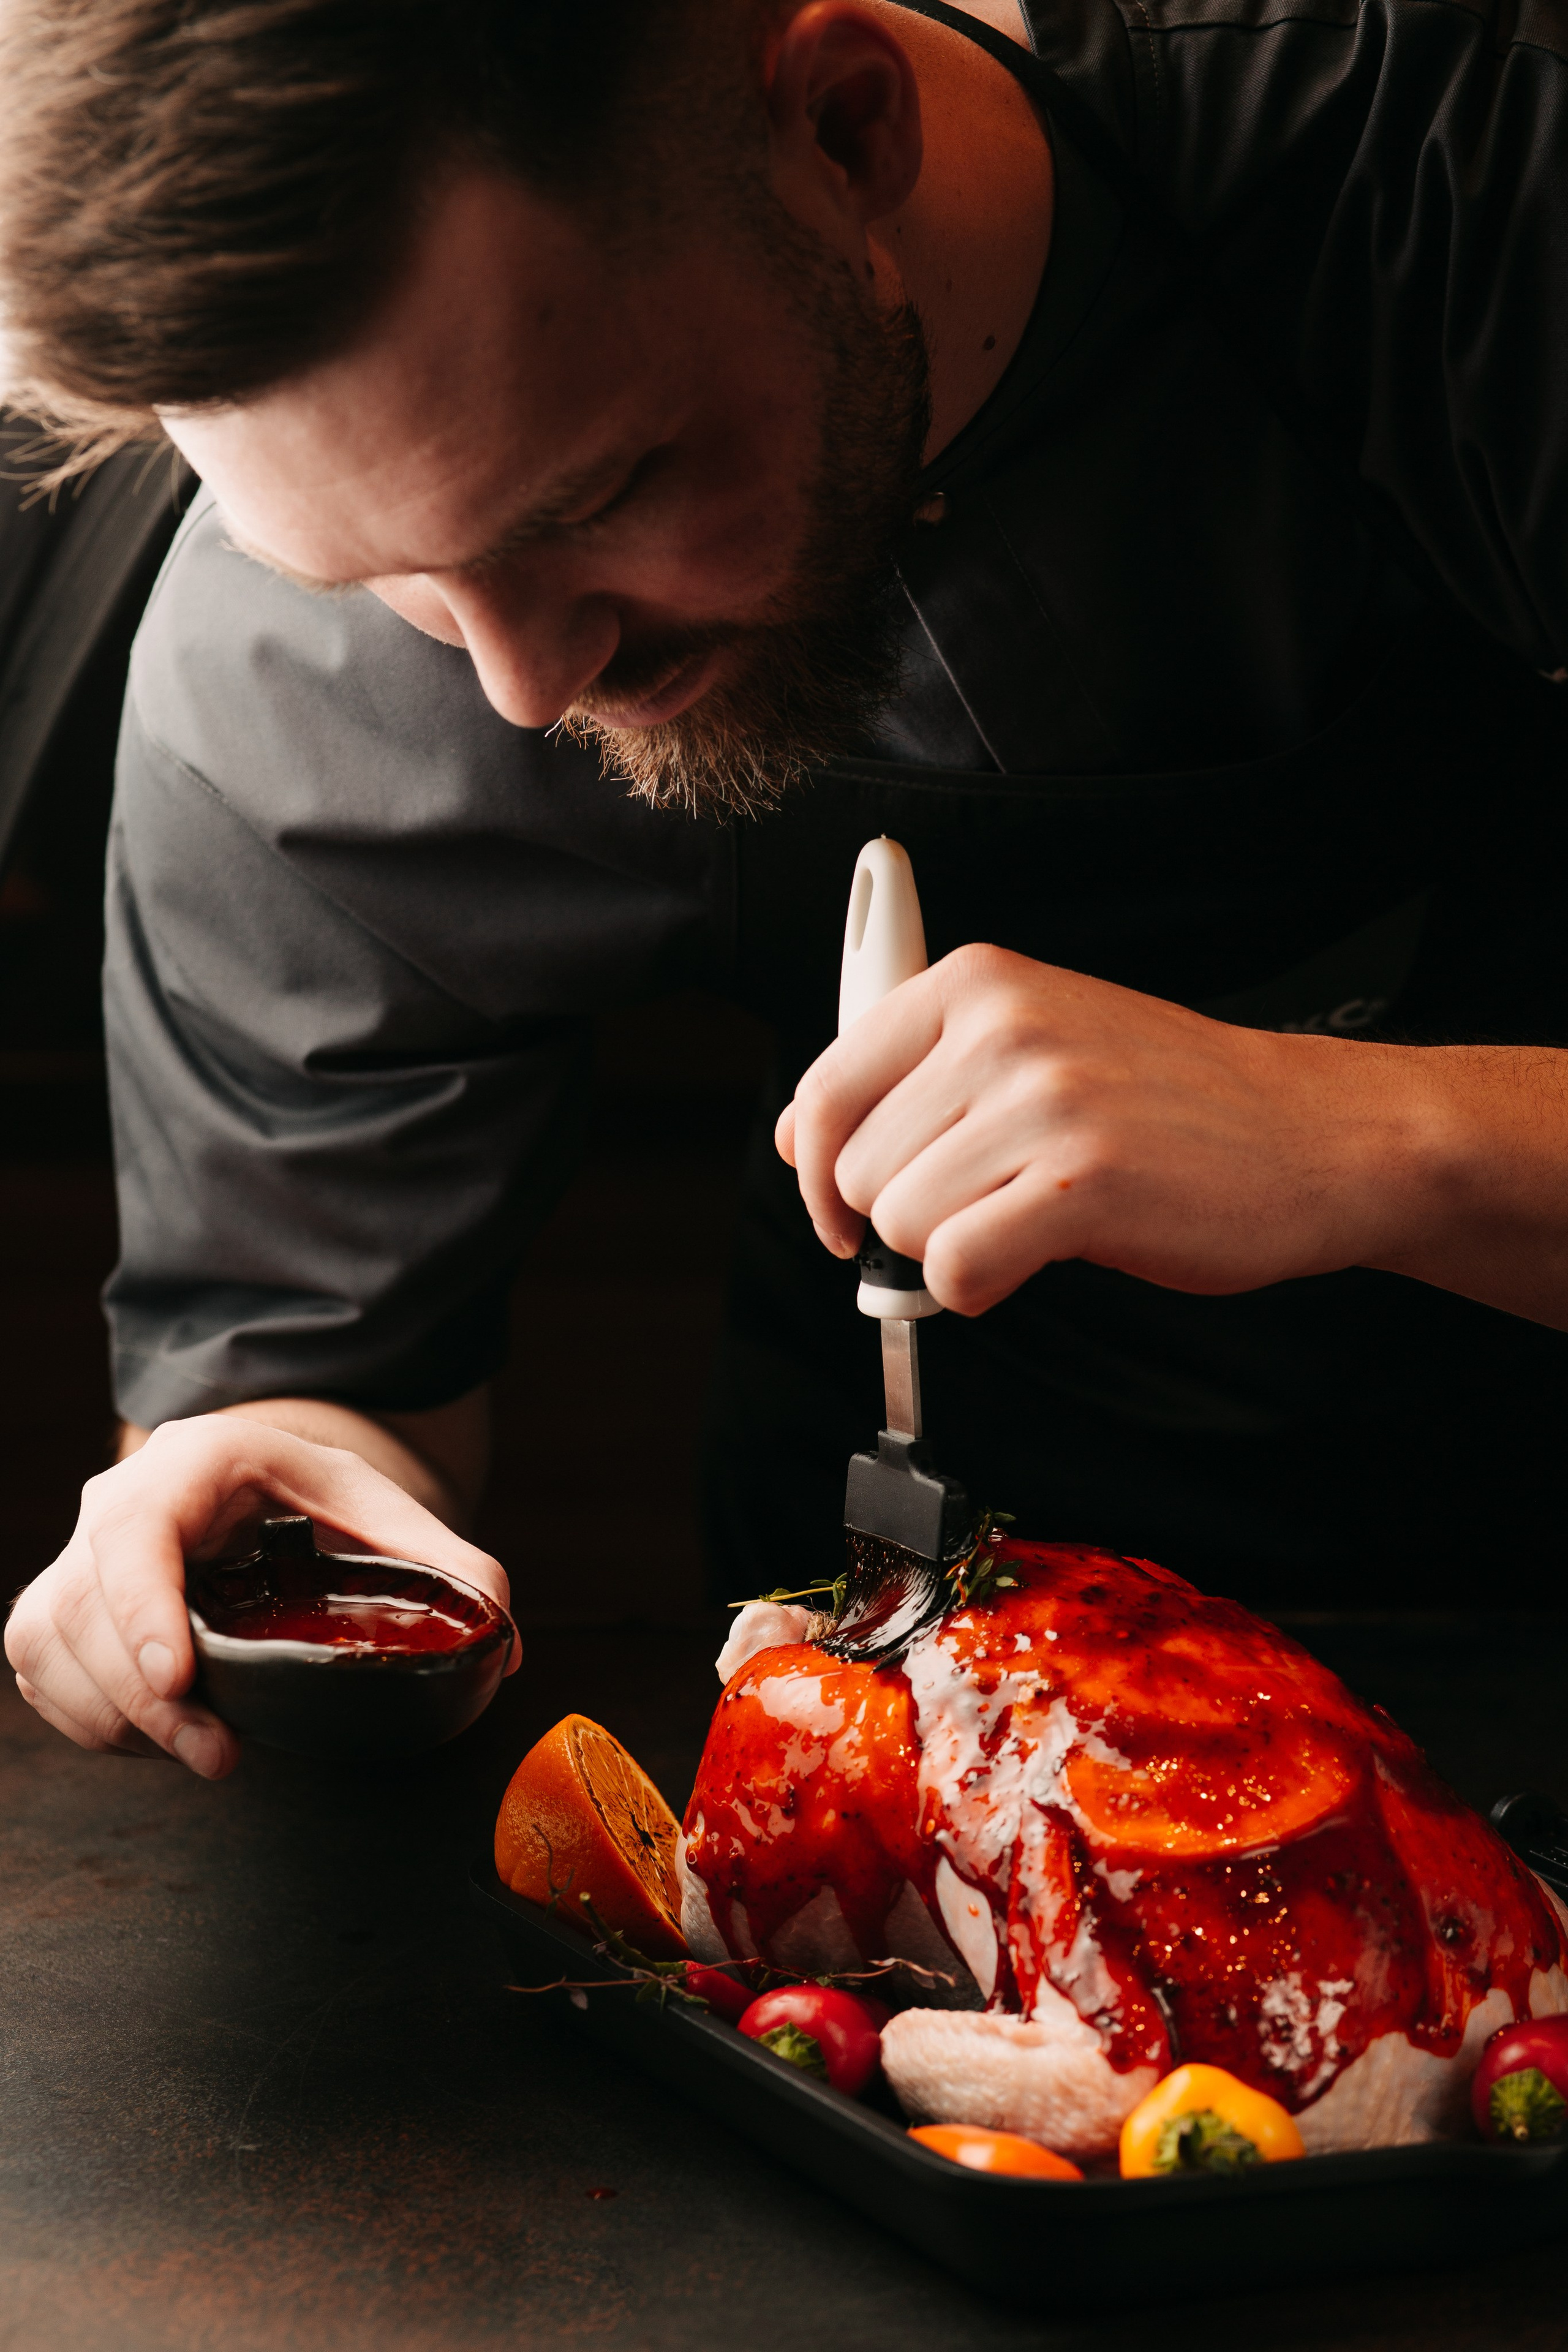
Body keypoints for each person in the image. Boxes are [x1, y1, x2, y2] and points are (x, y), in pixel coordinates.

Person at [4, 0, 1568, 1776]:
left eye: (592, 494)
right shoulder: (290, 689)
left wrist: (1379, 1138)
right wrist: (262, 1484)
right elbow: (321, 1385)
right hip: (925, 1733)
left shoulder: (1469, 169)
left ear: (844, 130)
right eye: (377, 573)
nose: (520, 685)